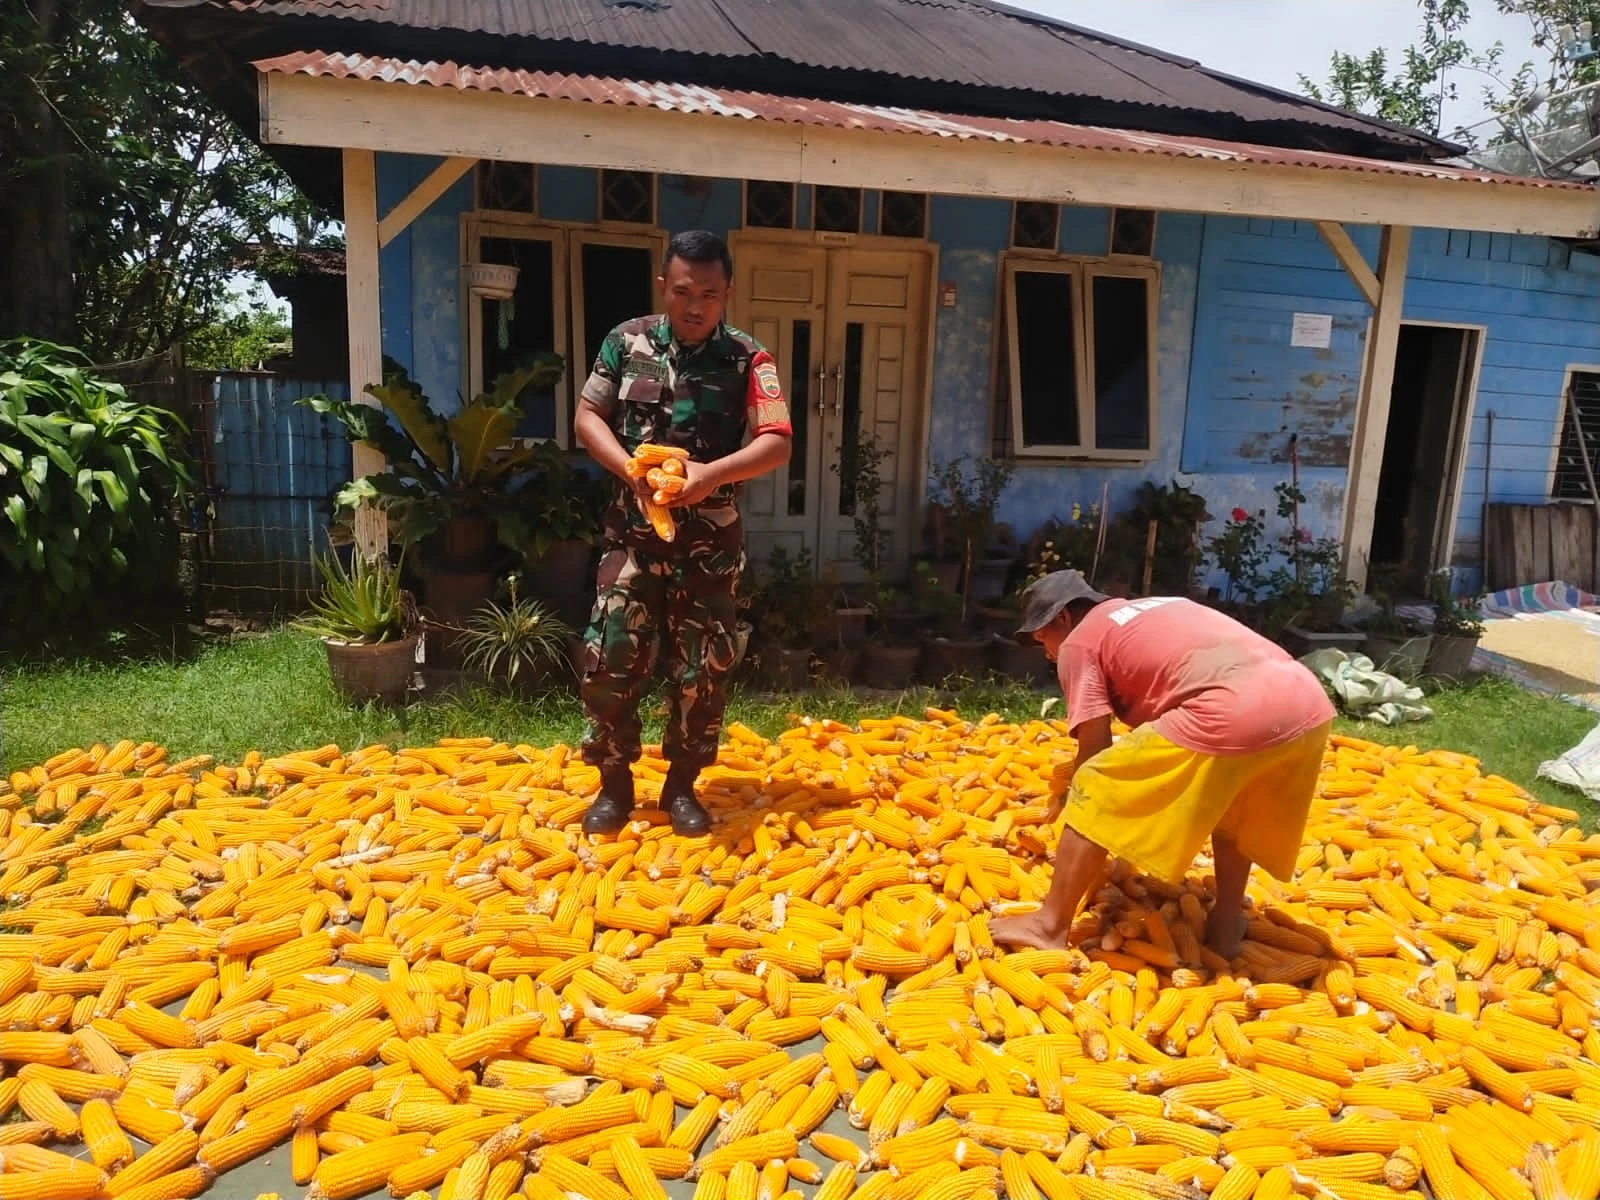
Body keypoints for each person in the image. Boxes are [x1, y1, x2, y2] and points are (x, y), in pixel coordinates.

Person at [988, 570, 1335, 959]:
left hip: (1233, 709)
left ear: (1063, 619)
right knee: (1236, 808)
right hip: (1306, 702)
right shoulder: (1159, 605)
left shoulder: (1079, 642)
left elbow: (1096, 750)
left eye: (1043, 640)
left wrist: (1073, 800)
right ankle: (1225, 924)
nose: (1048, 654)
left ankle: (1047, 925)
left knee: (1096, 784)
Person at [571, 231, 792, 837]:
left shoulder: (750, 358)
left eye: (711, 295)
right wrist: (629, 470)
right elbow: (588, 415)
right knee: (608, 656)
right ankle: (614, 785)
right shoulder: (626, 342)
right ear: (664, 285)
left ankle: (681, 788)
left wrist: (709, 476)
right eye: (685, 291)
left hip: (709, 543)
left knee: (703, 669)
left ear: (728, 294)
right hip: (632, 538)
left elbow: (776, 441)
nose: (695, 307)